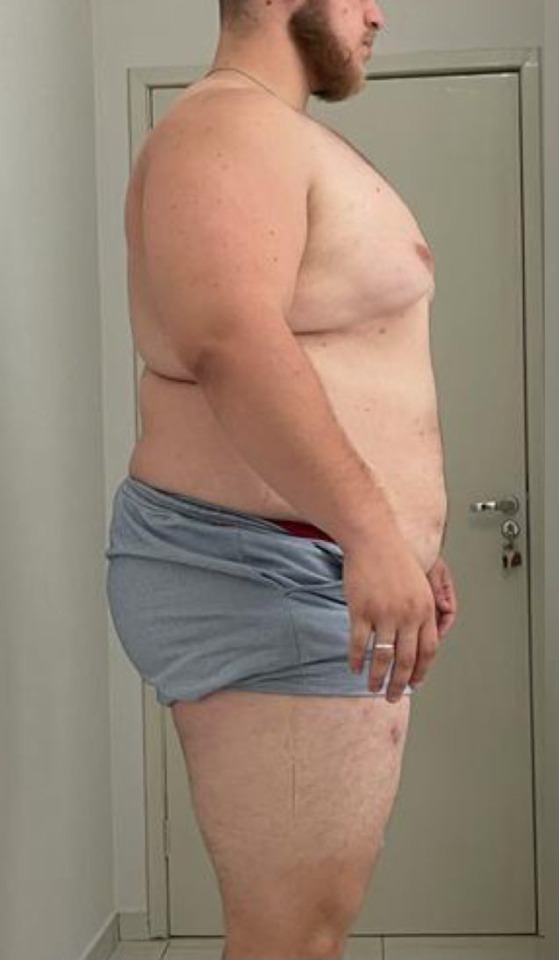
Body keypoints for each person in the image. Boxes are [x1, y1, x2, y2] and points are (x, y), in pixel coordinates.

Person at [105, 1, 458, 957]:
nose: (377, 13)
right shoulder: (225, 129)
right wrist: (374, 532)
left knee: (307, 926)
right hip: (263, 565)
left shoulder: (270, 134)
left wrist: (403, 543)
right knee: (290, 935)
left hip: (301, 557)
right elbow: (229, 343)